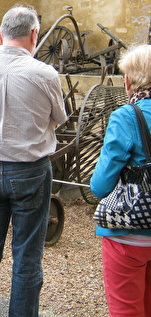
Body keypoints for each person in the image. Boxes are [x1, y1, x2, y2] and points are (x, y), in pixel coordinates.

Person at [0, 4, 67, 317]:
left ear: (0, 34)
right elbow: (58, 119)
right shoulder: (45, 74)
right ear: (34, 34)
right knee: (26, 256)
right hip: (30, 171)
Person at [90, 44, 151, 317]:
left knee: (127, 310)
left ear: (129, 81)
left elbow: (100, 186)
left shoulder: (126, 117)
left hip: (132, 234)